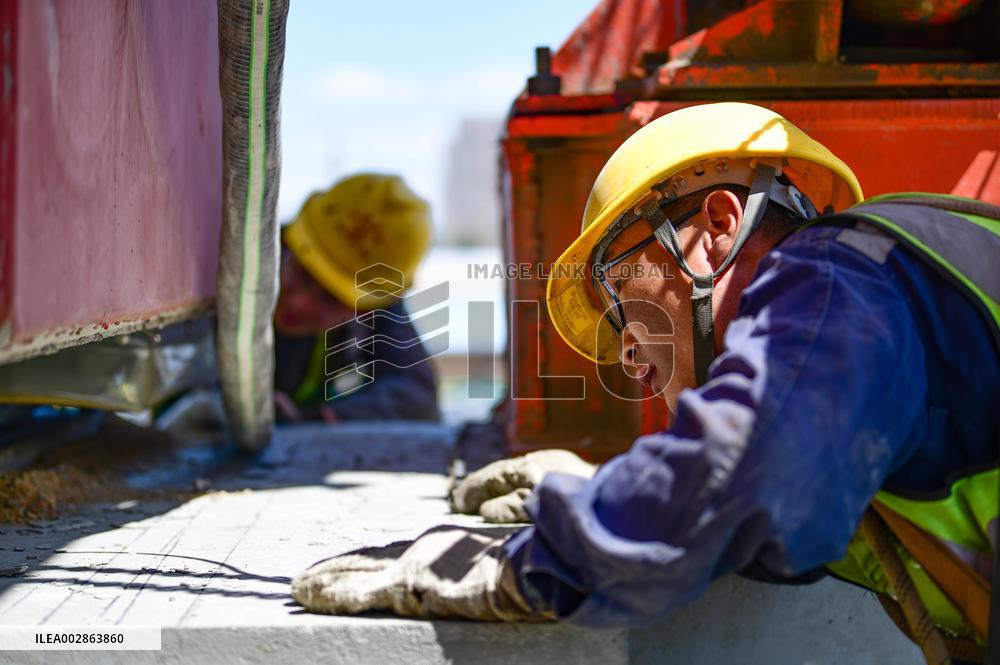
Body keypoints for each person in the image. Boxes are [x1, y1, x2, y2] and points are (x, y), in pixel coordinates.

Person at [291, 105, 998, 657]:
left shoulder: (836, 274)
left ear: (716, 224)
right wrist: (608, 494)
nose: (628, 356)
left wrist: (534, 561)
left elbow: (767, 476)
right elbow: (780, 525)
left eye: (621, 289)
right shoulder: (875, 303)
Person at [273, 172, 439, 422]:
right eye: (304, 275)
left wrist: (318, 418)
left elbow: (416, 397)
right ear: (290, 242)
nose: (300, 303)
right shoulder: (230, 260)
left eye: (330, 298)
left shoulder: (375, 306)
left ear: (364, 310)